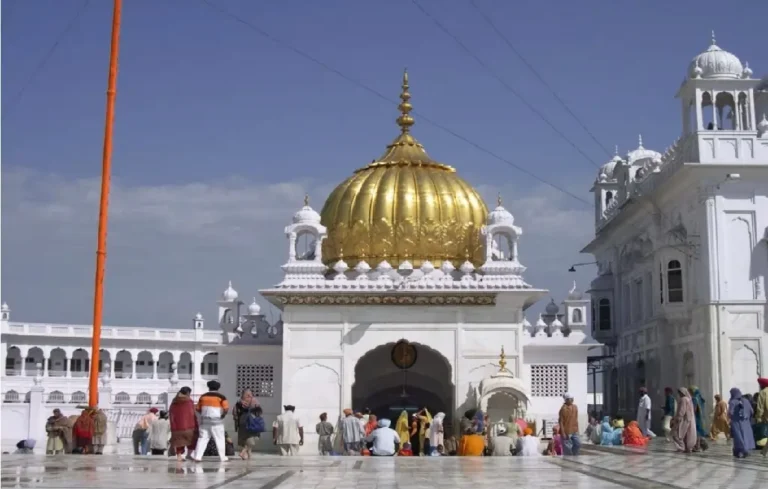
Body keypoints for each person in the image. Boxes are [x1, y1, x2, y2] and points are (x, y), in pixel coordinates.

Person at [192, 380, 230, 462]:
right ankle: (222, 457)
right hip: (217, 421)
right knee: (219, 439)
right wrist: (223, 415)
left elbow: (198, 409)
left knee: (202, 438)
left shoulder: (203, 397)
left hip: (205, 421)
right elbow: (226, 408)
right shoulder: (221, 397)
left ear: (208, 387)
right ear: (218, 388)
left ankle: (197, 456)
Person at [169, 386, 198, 461]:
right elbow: (192, 413)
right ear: (188, 393)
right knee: (191, 440)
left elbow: (171, 413)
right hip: (189, 425)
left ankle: (179, 456)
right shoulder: (189, 401)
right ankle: (189, 454)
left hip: (177, 425)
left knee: (179, 441)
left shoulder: (174, 401)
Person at [728, 388, 755, 458]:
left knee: (738, 436)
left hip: (736, 422)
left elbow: (730, 412)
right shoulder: (746, 401)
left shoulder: (732, 402)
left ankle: (741, 451)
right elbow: (752, 411)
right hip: (746, 422)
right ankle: (746, 450)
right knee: (746, 436)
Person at [672, 387, 697, 453]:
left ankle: (681, 447)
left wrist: (678, 417)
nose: (679, 394)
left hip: (683, 419)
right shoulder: (688, 399)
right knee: (686, 434)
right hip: (688, 419)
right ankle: (687, 448)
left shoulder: (683, 399)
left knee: (677, 433)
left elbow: (682, 410)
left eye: (680, 392)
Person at [689, 386, 708, 451]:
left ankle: (697, 446)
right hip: (701, 417)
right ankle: (700, 445)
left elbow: (694, 409)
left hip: (696, 417)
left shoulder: (694, 399)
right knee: (699, 431)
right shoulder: (700, 398)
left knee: (696, 432)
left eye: (690, 391)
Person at [756, 377, 768, 457]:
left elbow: (760, 407)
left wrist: (759, 417)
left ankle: (764, 451)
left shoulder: (763, 392)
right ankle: (764, 451)